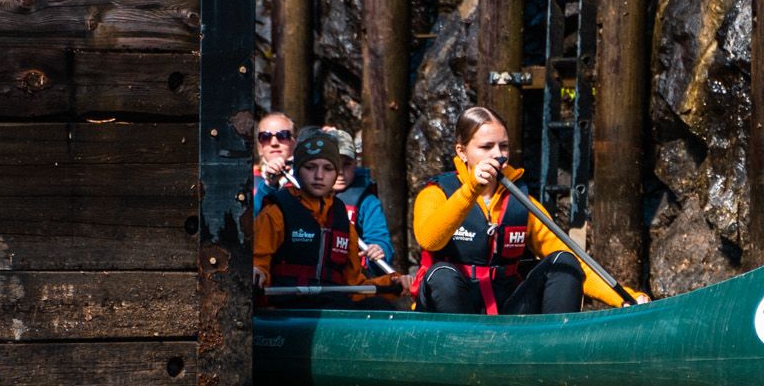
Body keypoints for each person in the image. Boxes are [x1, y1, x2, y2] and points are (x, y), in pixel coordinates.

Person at [411, 104, 648, 314]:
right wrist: (471, 189)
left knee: (564, 261)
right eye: (486, 147)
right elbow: (429, 240)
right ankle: (462, 350)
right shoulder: (435, 193)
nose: (498, 155)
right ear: (462, 152)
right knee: (441, 274)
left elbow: (576, 258)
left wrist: (624, 297)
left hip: (504, 308)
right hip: (450, 308)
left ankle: (554, 351)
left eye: (503, 146)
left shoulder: (520, 201)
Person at [253, 131, 397, 306]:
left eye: (328, 169)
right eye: (310, 167)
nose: (319, 176)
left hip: (331, 305)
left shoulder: (342, 222)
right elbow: (258, 262)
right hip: (286, 306)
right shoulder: (276, 213)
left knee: (380, 305)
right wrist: (257, 271)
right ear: (298, 171)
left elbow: (356, 286)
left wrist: (393, 283)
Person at [319, 127, 394, 274]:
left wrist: (379, 248)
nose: (340, 171)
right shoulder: (303, 195)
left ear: (355, 164)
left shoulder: (368, 203)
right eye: (333, 164)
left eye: (346, 164)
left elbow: (380, 240)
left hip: (351, 277)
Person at [251, 111, 296, 214]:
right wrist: (268, 184)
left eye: (283, 135)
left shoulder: (306, 178)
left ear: (294, 143)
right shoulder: (247, 180)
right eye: (265, 137)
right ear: (259, 148)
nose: (274, 143)